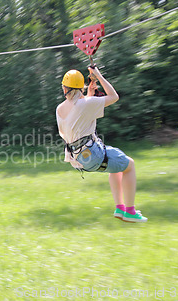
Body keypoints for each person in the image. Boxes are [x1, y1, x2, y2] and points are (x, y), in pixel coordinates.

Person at [56, 66, 148, 223]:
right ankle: (130, 211)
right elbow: (114, 96)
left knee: (118, 166)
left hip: (78, 159)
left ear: (64, 88)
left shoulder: (60, 108)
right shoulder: (85, 104)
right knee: (130, 165)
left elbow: (79, 114)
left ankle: (120, 208)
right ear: (81, 87)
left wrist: (90, 94)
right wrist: (98, 75)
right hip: (93, 154)